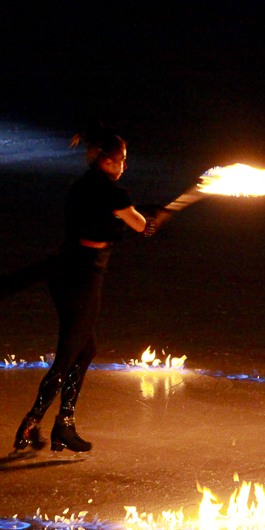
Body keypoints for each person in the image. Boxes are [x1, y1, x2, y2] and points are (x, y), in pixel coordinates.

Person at [14, 124, 170, 453]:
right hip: (84, 278)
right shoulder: (114, 193)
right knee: (70, 354)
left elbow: (108, 219)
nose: (125, 165)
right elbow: (141, 226)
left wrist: (144, 216)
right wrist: (155, 219)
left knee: (85, 351)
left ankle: (63, 425)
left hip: (64, 273)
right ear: (108, 162)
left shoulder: (82, 186)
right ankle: (32, 423)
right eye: (122, 160)